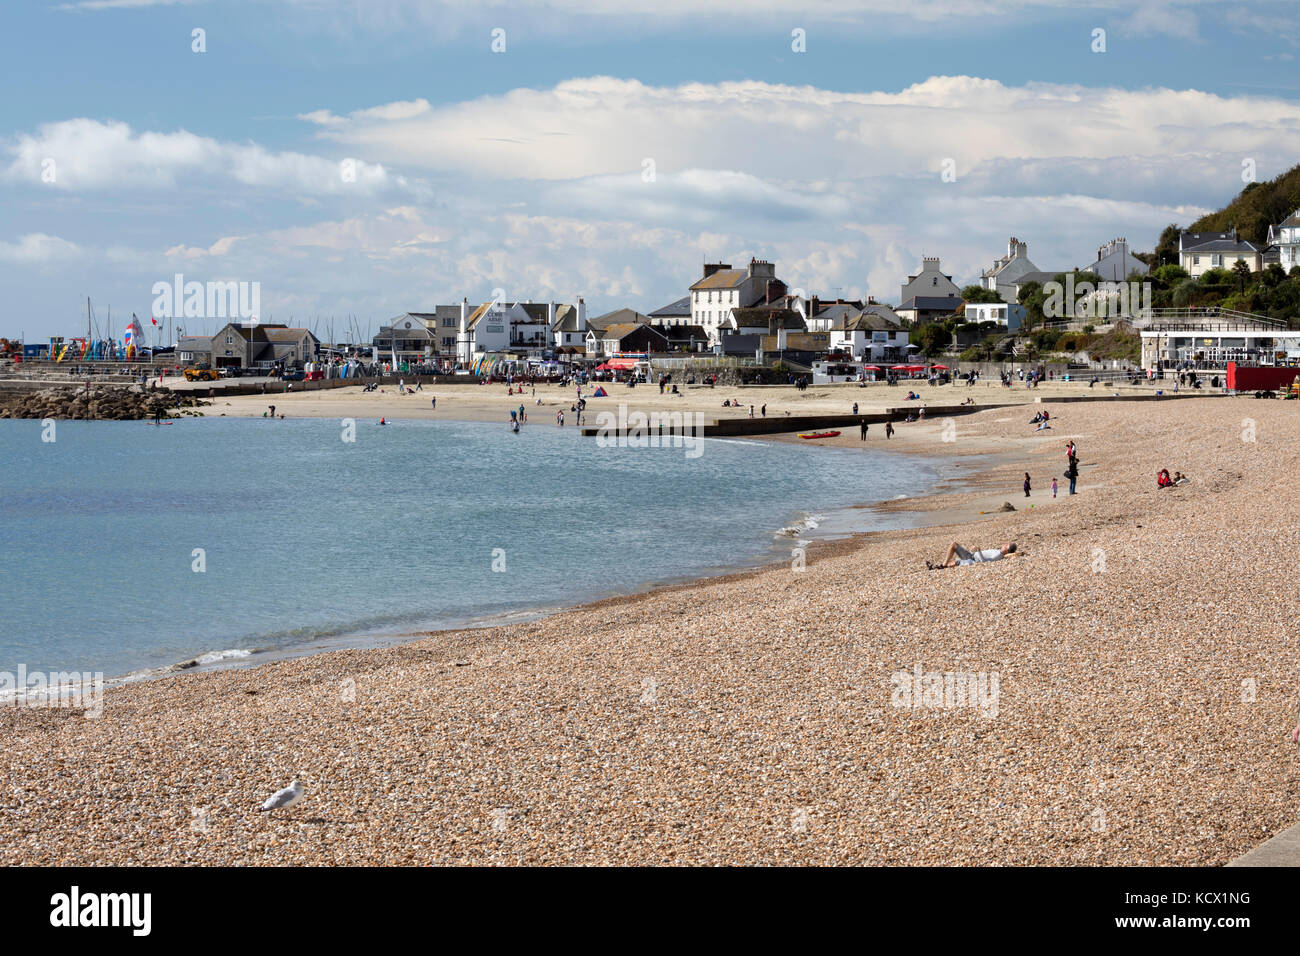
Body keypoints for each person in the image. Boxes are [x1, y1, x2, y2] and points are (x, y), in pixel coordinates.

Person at [928, 541, 1018, 569]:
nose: (1005, 544)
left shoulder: (998, 555)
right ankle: (938, 566)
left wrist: (978, 550)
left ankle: (939, 566)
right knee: (953, 554)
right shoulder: (998, 552)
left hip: (972, 559)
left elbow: (985, 562)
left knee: (953, 548)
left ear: (1007, 549)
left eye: (1006, 544)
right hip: (971, 555)